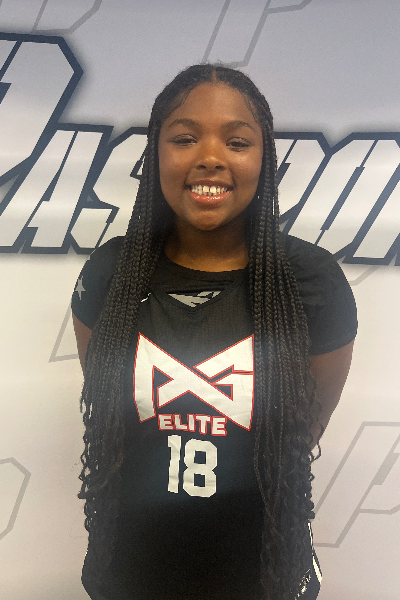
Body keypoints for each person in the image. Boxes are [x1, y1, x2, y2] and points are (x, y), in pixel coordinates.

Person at [72, 64, 357, 600]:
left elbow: (302, 432)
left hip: (261, 570)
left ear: (264, 159)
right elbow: (109, 411)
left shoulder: (311, 281)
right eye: (184, 138)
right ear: (156, 153)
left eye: (237, 141)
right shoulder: (112, 273)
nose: (210, 157)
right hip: (133, 566)